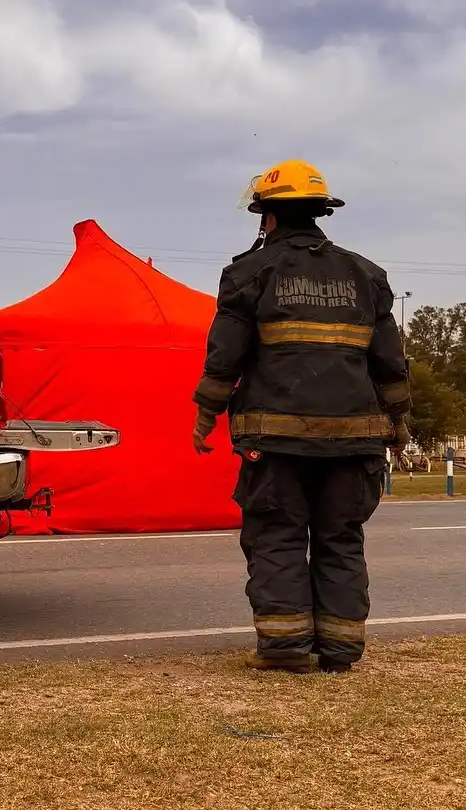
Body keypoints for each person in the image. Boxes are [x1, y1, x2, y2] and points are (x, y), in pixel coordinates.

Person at [191, 159, 412, 674]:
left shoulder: (248, 273)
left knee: (277, 536)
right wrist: (398, 422)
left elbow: (225, 354)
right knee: (341, 539)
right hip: (355, 442)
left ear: (266, 217)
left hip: (276, 442)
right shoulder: (367, 276)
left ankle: (286, 648)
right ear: (319, 212)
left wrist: (206, 413)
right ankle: (340, 650)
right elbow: (390, 363)